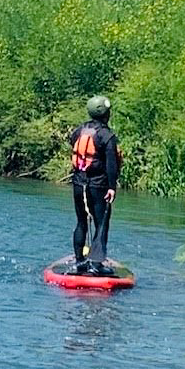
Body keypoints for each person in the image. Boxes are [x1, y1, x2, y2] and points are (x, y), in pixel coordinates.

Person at [71, 95, 121, 275]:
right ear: (106, 114)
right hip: (98, 186)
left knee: (81, 222)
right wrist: (112, 187)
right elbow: (111, 164)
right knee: (101, 223)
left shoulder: (78, 131)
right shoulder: (107, 135)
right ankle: (96, 265)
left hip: (78, 184)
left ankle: (79, 261)